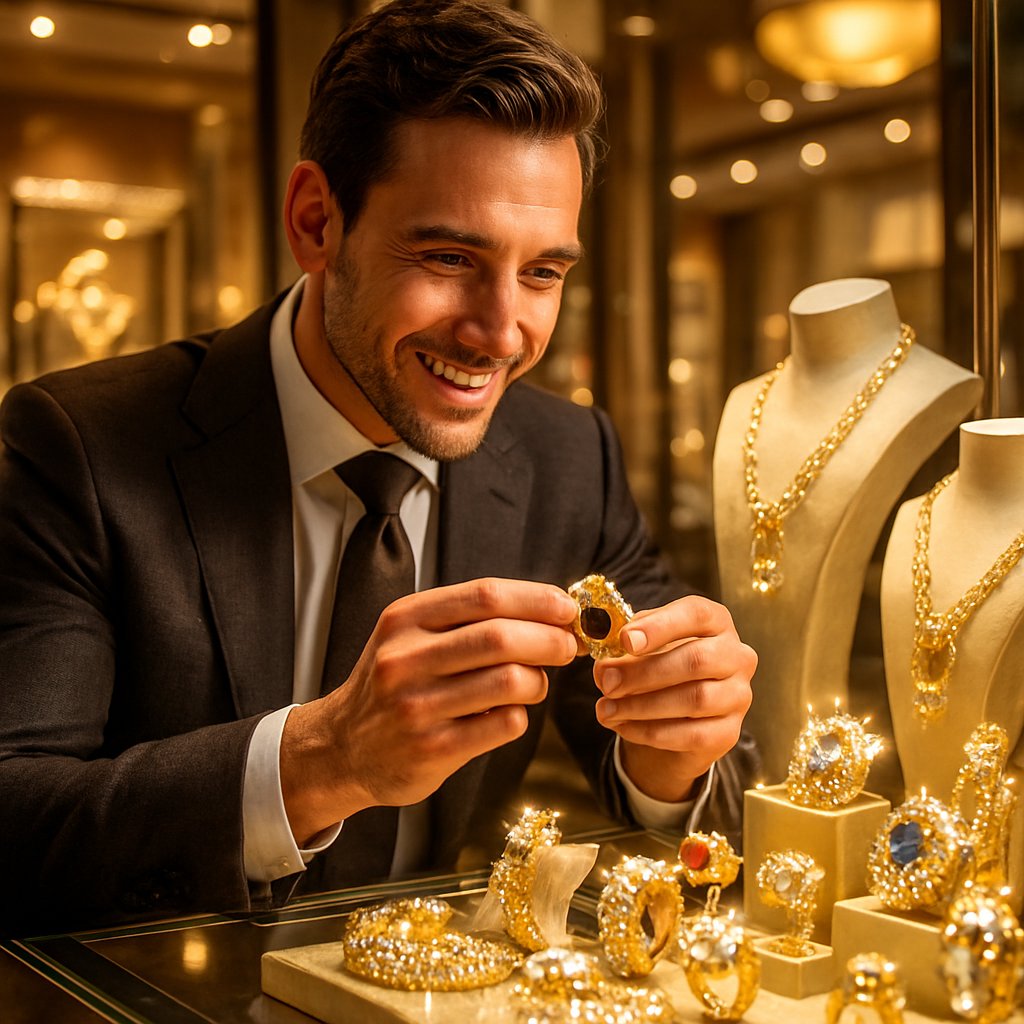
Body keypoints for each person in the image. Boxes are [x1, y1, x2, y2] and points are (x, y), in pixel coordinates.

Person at [0, 0, 757, 937]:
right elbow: (15, 818)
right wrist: (323, 760)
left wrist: (672, 751)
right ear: (316, 221)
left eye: (543, 274)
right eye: (448, 256)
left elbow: (682, 801)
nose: (501, 332)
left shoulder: (570, 456)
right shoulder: (76, 442)